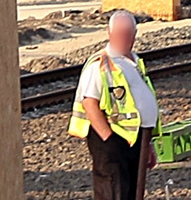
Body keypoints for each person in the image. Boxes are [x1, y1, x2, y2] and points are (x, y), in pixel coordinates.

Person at [69, 10, 160, 200]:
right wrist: (108, 139)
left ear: (135, 35)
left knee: (131, 193)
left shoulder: (134, 62)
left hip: (135, 139)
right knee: (114, 193)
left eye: (128, 33)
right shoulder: (100, 64)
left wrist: (148, 144)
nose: (124, 38)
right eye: (120, 33)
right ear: (110, 34)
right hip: (113, 140)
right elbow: (89, 103)